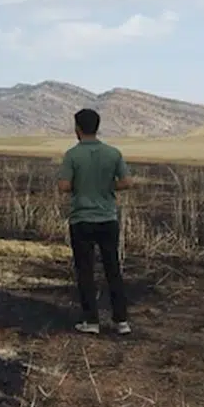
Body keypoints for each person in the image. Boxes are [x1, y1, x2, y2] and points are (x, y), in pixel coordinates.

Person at [57, 107, 132, 335]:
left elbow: (63, 186)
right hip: (107, 219)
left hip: (81, 220)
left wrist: (80, 186)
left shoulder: (72, 155)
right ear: (97, 127)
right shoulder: (113, 153)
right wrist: (108, 186)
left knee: (85, 270)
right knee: (113, 268)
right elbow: (127, 181)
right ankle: (121, 321)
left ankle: (91, 321)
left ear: (77, 129)